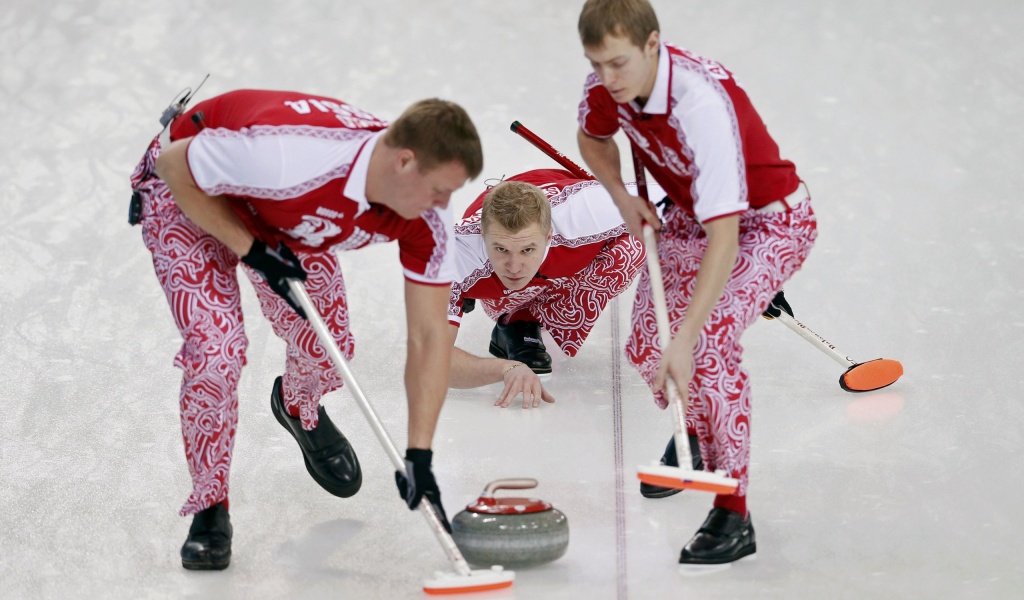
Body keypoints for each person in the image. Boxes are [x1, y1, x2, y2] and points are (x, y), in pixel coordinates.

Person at [128, 89, 482, 570]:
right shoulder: (291, 156)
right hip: (186, 190)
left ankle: (297, 405)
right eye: (440, 189)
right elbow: (175, 165)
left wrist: (420, 453)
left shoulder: (427, 220)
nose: (444, 204)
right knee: (217, 352)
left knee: (326, 344)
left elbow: (428, 337)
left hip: (284, 213)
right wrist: (250, 249)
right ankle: (211, 509)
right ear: (404, 162)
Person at [576, 0, 818, 566]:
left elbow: (727, 237)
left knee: (703, 348)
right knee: (646, 344)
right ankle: (701, 437)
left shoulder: (700, 105)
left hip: (769, 220)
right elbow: (593, 138)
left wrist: (688, 338)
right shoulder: (603, 83)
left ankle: (734, 516)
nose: (607, 79)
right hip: (688, 212)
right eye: (596, 64)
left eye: (618, 64)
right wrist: (622, 194)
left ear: (653, 44)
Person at [446, 169, 648, 408]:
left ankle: (525, 321)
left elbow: (688, 204)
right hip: (486, 280)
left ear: (549, 235)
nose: (514, 266)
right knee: (470, 285)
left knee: (635, 246)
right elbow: (430, 362)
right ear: (483, 235)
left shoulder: (589, 215)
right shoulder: (452, 260)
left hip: (573, 223)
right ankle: (493, 304)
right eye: (501, 249)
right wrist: (506, 368)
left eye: (527, 250)